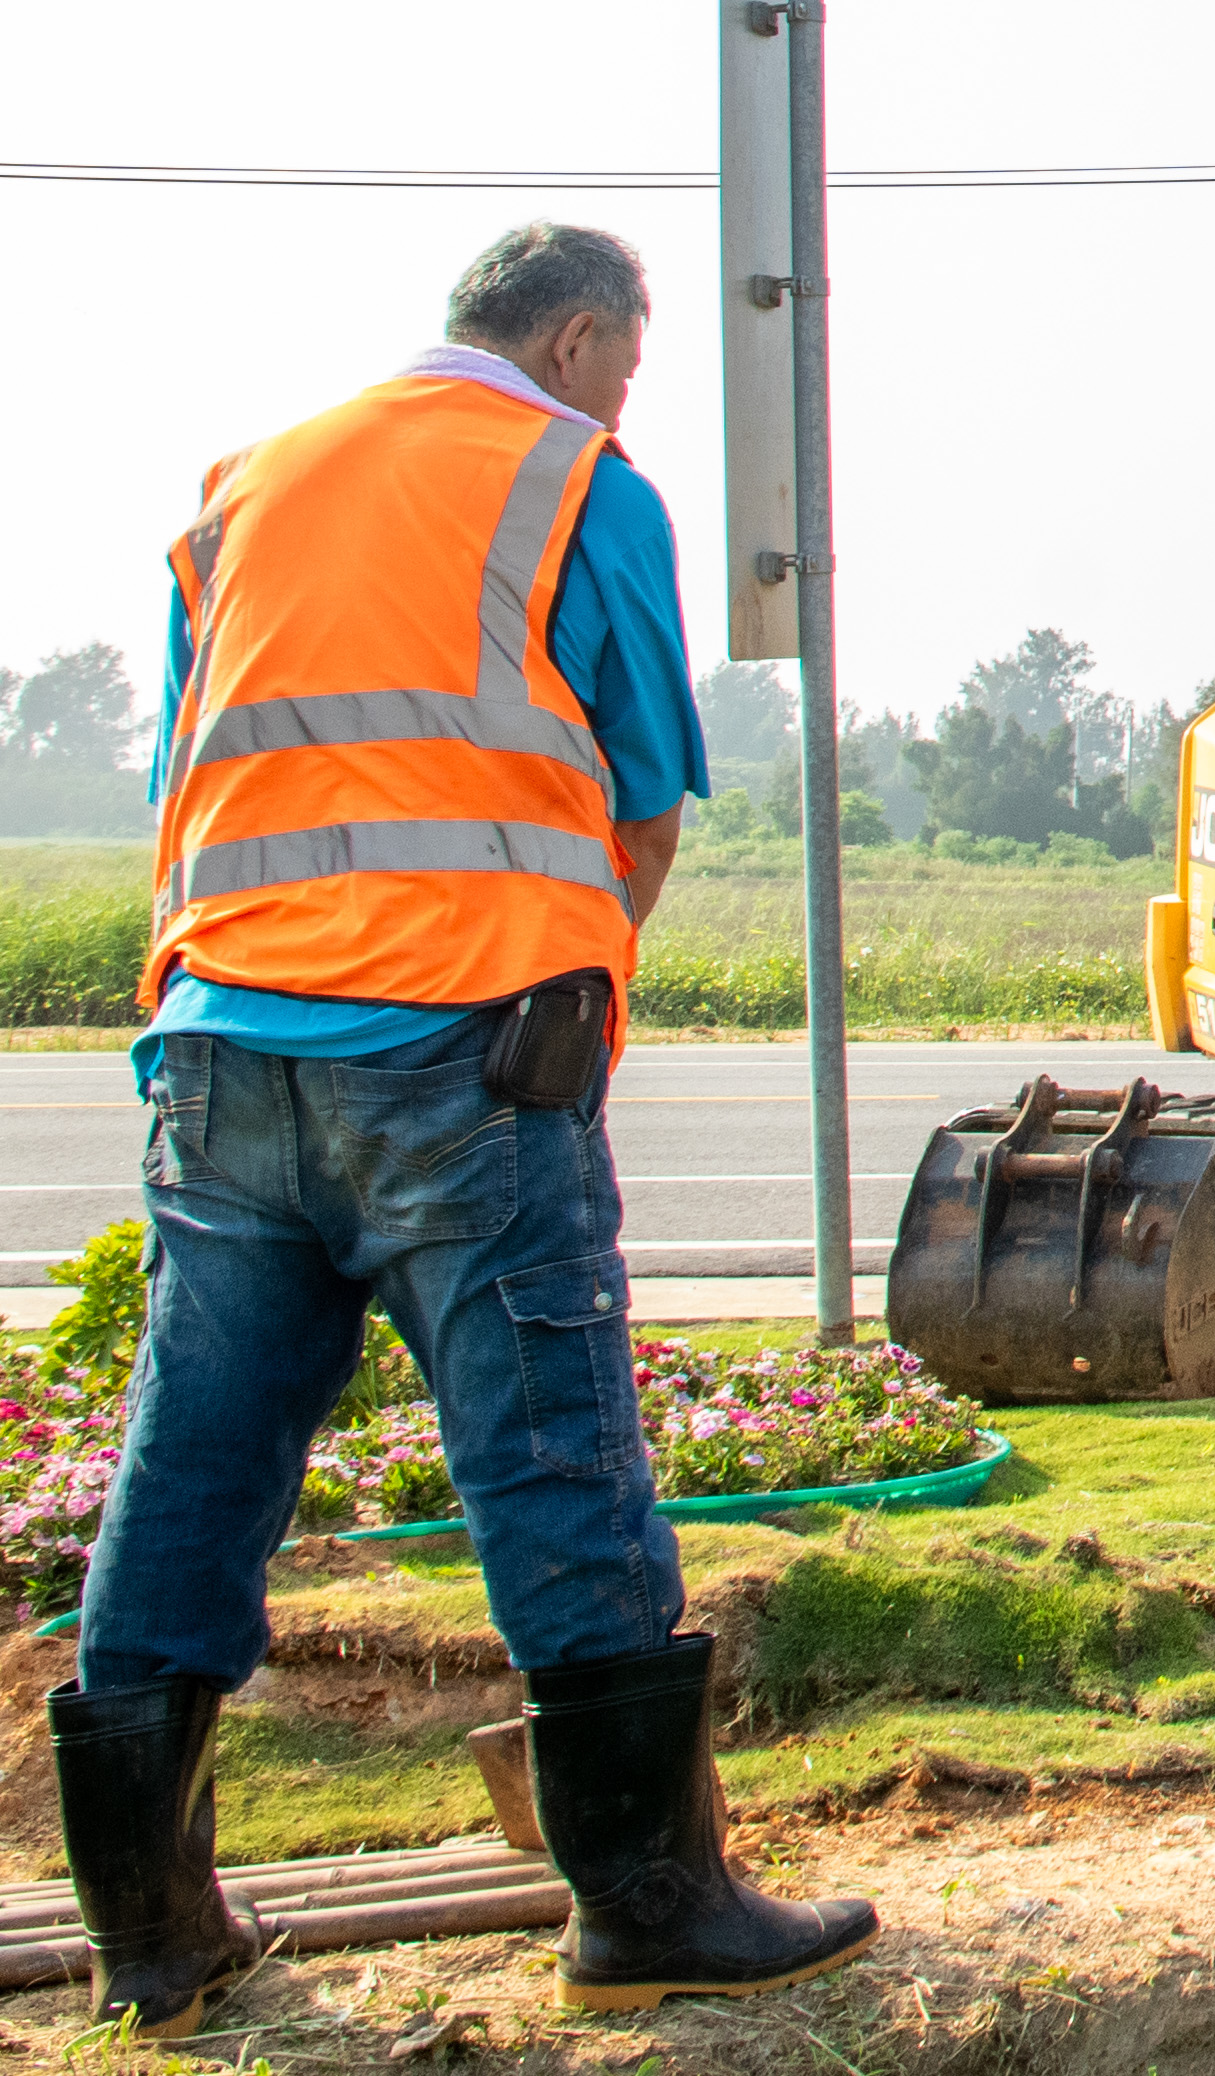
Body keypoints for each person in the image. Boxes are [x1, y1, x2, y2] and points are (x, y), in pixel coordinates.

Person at [60, 227, 874, 2032]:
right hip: (463, 1048)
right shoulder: (576, 477)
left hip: (216, 1047)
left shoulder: (243, 485)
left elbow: (188, 776)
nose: (622, 398)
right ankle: (647, 1895)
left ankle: (152, 1936)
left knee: (190, 1470)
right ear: (581, 338)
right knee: (553, 1456)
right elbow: (641, 794)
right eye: (628, 365)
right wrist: (574, 980)